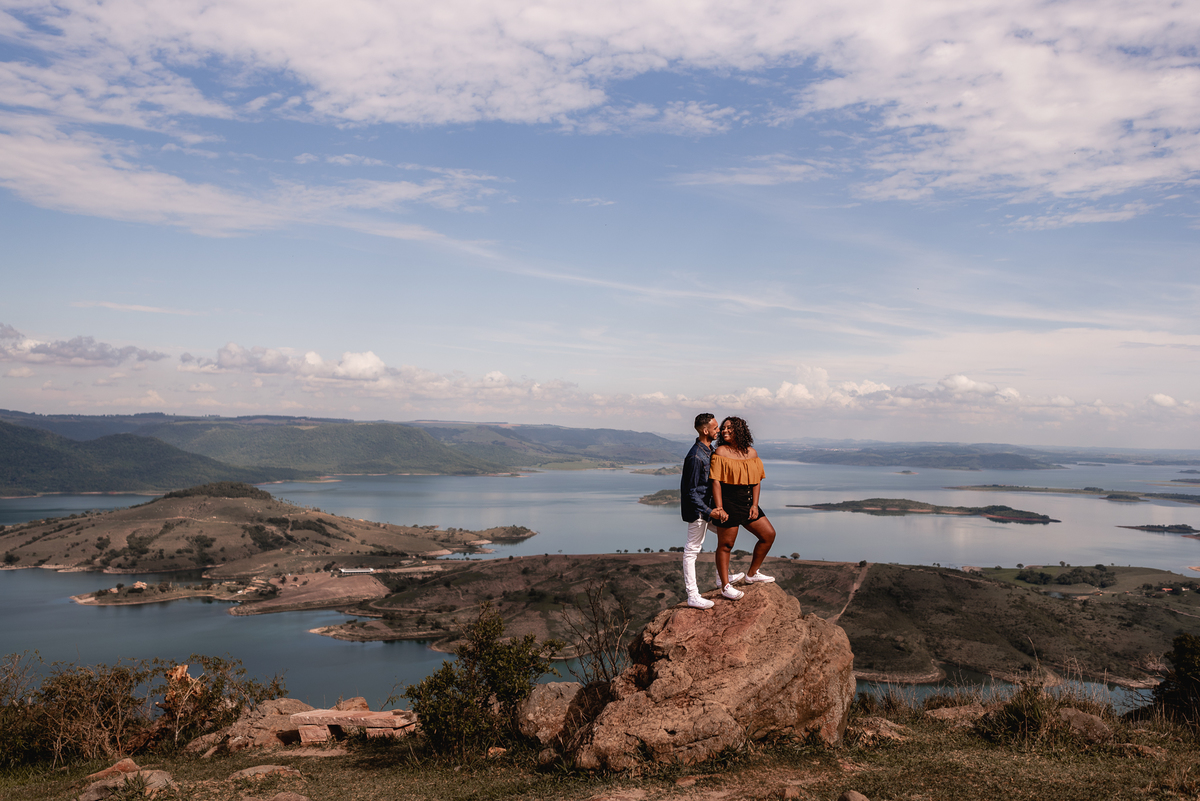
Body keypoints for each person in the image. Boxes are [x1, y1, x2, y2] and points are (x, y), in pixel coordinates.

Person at [709, 416, 776, 600]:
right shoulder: (721, 451)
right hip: (728, 503)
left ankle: (752, 574)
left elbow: (756, 482)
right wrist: (719, 507)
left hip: (747, 503)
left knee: (768, 535)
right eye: (723, 428)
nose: (724, 431)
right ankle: (724, 586)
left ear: (740, 430)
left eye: (729, 428)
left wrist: (755, 505)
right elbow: (715, 482)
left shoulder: (752, 453)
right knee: (726, 545)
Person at [679, 413, 739, 609]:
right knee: (691, 551)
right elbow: (690, 492)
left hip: (708, 509)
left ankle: (722, 578)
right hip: (698, 512)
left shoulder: (708, 450)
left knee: (725, 532)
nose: (718, 431)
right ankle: (692, 595)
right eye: (715, 428)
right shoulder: (696, 456)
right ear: (706, 431)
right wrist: (709, 511)